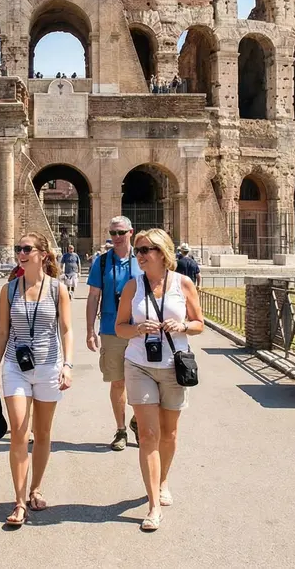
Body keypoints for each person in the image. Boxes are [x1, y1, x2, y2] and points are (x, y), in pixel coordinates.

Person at [114, 228, 205, 532]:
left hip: (173, 365)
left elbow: (199, 324)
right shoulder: (132, 287)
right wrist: (138, 330)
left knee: (170, 434)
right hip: (139, 364)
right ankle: (153, 505)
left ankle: (163, 478)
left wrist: (182, 325)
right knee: (149, 435)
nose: (139, 255)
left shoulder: (183, 283)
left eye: (145, 250)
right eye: (137, 251)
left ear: (162, 252)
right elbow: (120, 328)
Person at [0, 232, 73, 526]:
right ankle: (20, 501)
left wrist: (68, 364)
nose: (21, 253)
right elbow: (1, 332)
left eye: (26, 249)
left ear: (42, 255)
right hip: (15, 365)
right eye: (18, 249)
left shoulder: (57, 289)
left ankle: (36, 487)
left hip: (48, 366)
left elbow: (66, 330)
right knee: (20, 433)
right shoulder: (9, 290)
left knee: (44, 433)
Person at [86, 216, 141, 451]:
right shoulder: (101, 262)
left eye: (120, 233)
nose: (116, 238)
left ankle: (138, 421)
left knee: (142, 381)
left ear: (131, 232)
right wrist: (90, 329)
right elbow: (93, 297)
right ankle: (121, 430)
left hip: (140, 328)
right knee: (118, 382)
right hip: (111, 329)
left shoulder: (142, 258)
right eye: (112, 233)